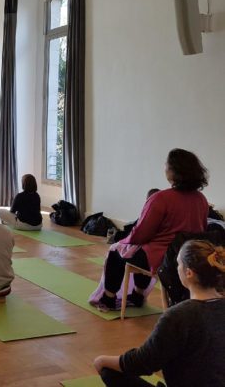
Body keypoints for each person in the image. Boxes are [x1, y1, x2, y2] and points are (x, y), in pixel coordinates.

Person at [93, 239, 225, 386]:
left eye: (178, 263)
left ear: (188, 273)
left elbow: (144, 362)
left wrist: (103, 361)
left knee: (108, 370)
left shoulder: (179, 316)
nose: (177, 268)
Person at [93, 149, 209, 311]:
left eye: (166, 166)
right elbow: (202, 228)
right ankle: (137, 295)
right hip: (187, 256)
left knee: (117, 252)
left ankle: (108, 299)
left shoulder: (161, 198)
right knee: (138, 250)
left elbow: (141, 234)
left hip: (162, 258)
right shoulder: (201, 199)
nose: (165, 169)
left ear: (173, 171)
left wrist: (123, 240)